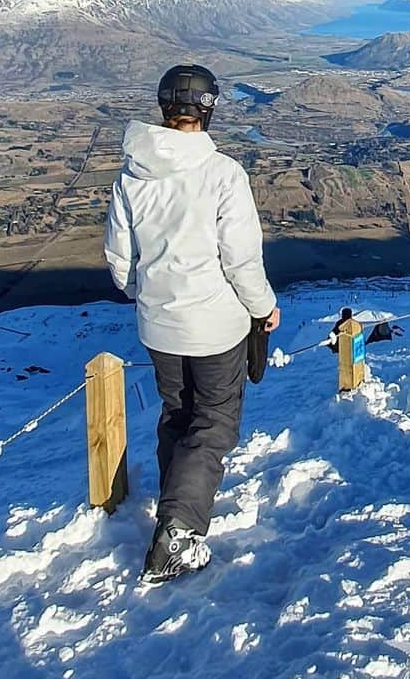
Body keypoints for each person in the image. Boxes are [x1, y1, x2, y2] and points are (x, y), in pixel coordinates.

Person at [104, 64, 279, 584]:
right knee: (215, 422)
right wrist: (263, 306)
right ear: (210, 109)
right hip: (216, 326)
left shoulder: (131, 177)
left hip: (159, 325)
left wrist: (151, 293)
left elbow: (120, 263)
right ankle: (178, 533)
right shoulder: (223, 174)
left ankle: (173, 509)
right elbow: (241, 260)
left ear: (164, 106)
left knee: (177, 416)